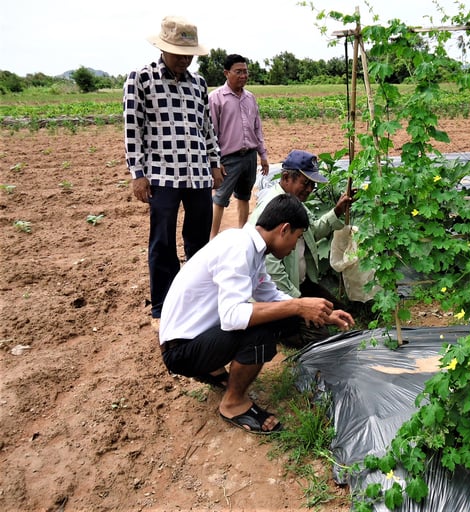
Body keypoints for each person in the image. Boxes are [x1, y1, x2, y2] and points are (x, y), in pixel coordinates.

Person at [159, 194, 355, 434]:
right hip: (180, 351)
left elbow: (271, 295)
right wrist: (298, 306)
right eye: (297, 237)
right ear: (284, 229)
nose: (295, 246)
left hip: (192, 337)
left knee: (280, 314)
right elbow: (232, 316)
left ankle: (212, 368)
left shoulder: (251, 248)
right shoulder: (239, 248)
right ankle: (233, 403)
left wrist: (324, 314)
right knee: (262, 330)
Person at [124, 16, 223, 331]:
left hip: (197, 175)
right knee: (163, 241)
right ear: (163, 48)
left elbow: (206, 128)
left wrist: (215, 161)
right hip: (162, 176)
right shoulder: (141, 79)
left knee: (198, 241)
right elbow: (132, 129)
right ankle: (162, 307)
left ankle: (195, 300)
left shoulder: (199, 84)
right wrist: (138, 173)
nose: (185, 59)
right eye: (179, 53)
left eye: (189, 54)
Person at [249, 150, 353, 346]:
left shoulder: (295, 203)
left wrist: (337, 211)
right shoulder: (271, 208)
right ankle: (283, 332)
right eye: (305, 183)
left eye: (312, 184)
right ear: (286, 177)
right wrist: (298, 302)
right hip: (282, 292)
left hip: (300, 283)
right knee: (321, 339)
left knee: (338, 311)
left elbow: (311, 232)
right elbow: (272, 269)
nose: (310, 189)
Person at [208, 54, 269, 236]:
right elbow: (211, 133)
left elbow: (257, 128)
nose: (243, 75)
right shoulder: (216, 98)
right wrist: (215, 162)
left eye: (245, 71)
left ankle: (242, 235)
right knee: (220, 199)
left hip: (249, 155)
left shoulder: (250, 98)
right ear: (227, 73)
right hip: (228, 159)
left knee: (244, 196)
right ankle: (211, 238)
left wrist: (263, 156)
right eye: (238, 72)